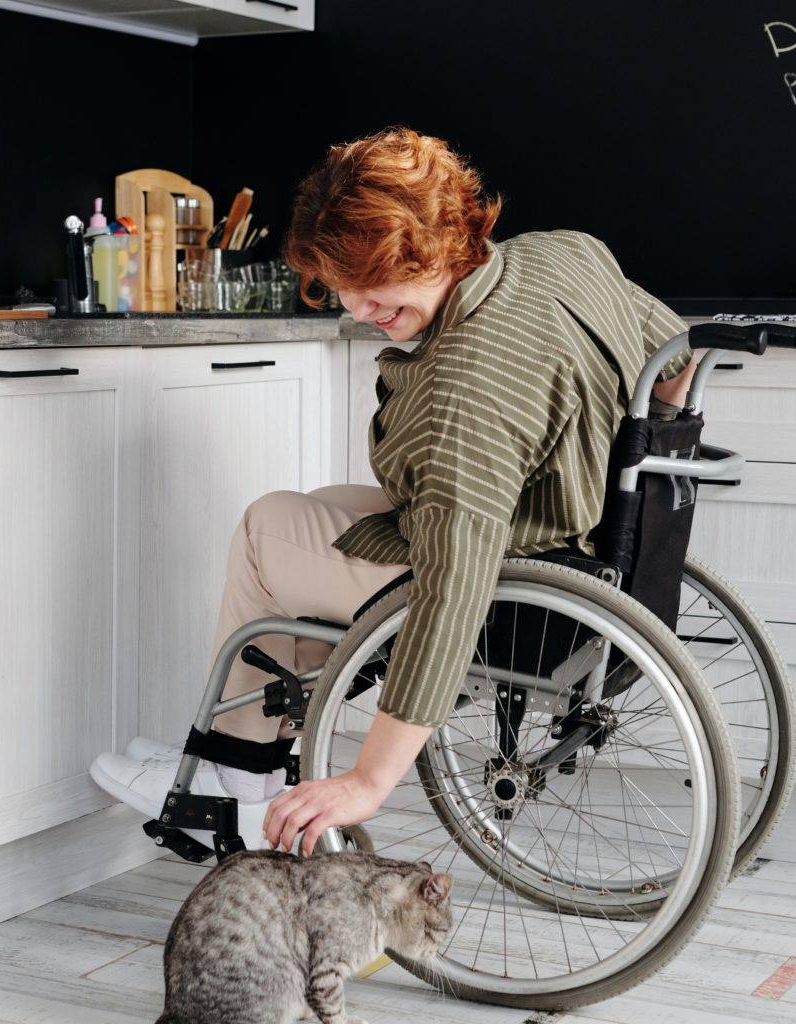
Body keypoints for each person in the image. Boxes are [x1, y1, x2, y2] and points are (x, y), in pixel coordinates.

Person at [91, 127, 696, 857]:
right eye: (341, 282)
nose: (355, 306)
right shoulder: (565, 253)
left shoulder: (465, 392)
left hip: (513, 590)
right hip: (589, 542)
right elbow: (674, 355)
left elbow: (452, 591)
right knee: (315, 508)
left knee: (266, 530)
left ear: (432, 248)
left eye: (369, 280)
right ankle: (242, 753)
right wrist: (624, 473)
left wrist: (367, 783)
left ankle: (240, 781)